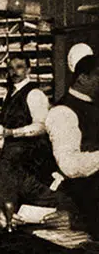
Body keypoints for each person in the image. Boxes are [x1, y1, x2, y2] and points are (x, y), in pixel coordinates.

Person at [46, 54, 99, 239]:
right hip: (79, 201)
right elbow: (70, 165)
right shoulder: (63, 112)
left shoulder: (92, 106)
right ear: (83, 78)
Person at [1, 55, 55, 183]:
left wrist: (12, 132)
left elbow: (42, 127)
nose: (14, 72)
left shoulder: (35, 94)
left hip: (32, 153)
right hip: (14, 149)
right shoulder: (7, 94)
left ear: (28, 70)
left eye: (19, 67)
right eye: (10, 68)